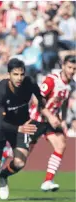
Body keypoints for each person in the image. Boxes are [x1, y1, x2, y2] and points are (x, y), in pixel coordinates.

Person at [0, 58, 59, 202]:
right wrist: (20, 128)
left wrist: (46, 115)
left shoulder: (29, 83)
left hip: (21, 124)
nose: (19, 78)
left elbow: (41, 101)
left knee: (19, 163)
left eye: (21, 74)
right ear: (9, 75)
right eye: (15, 74)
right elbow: (0, 123)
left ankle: (3, 175)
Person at [28, 55, 76, 191]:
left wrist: (65, 120)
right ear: (63, 66)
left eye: (74, 69)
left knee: (61, 144)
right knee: (21, 158)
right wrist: (49, 116)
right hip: (37, 118)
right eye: (69, 67)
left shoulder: (71, 84)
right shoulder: (51, 80)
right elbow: (37, 100)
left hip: (51, 120)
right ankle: (5, 154)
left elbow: (65, 102)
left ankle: (48, 181)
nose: (72, 71)